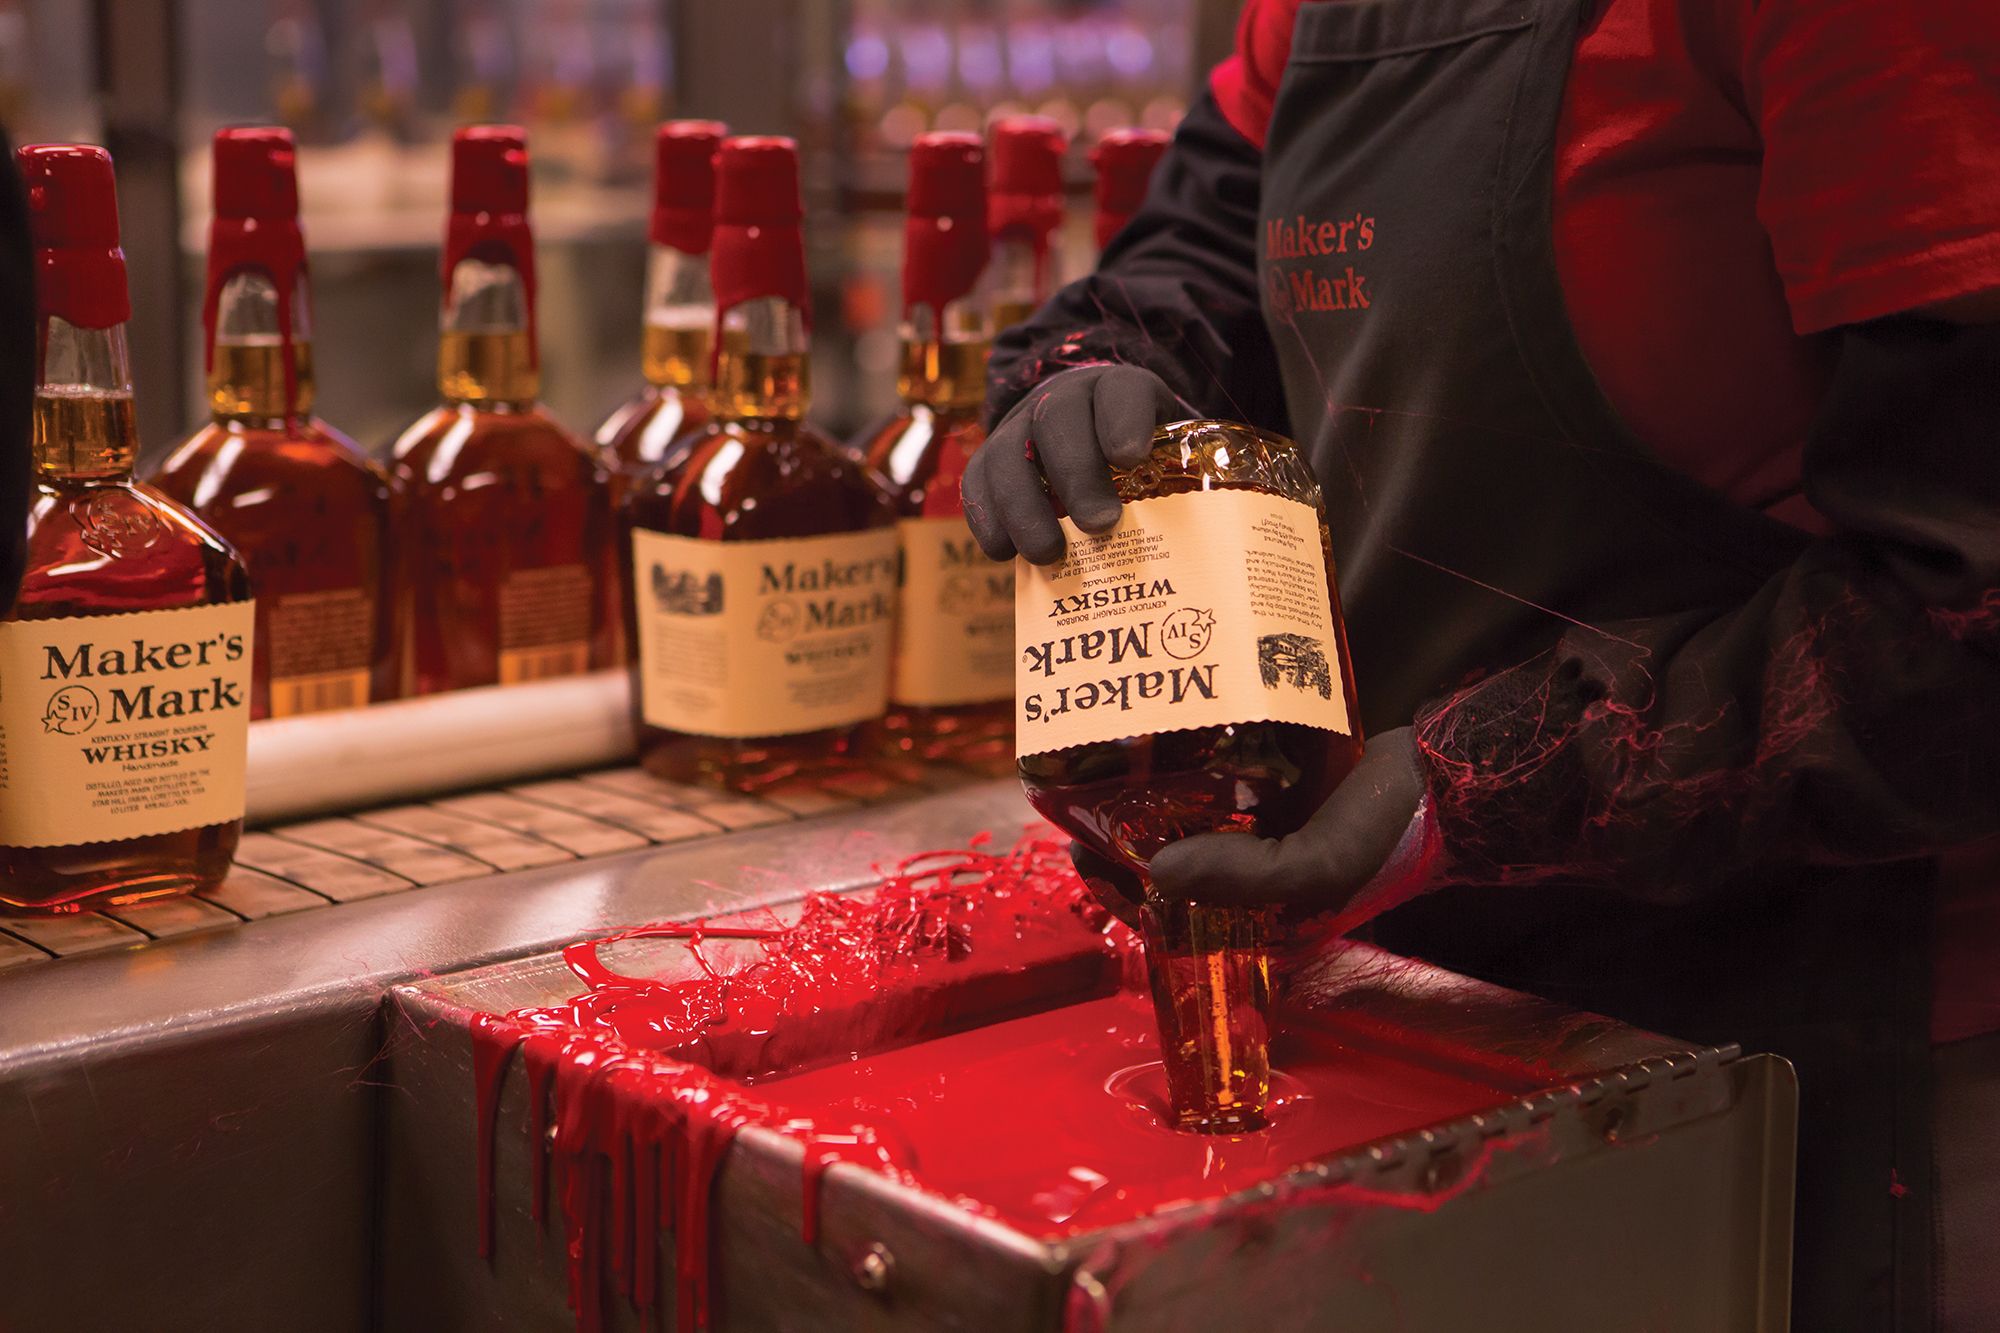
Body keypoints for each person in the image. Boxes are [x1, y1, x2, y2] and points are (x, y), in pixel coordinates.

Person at [963, 1, 2000, 1327]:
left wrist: (1476, 784)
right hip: (1425, 995)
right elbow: (1202, 250)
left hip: (1815, 1032)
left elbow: (1968, 615)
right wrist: (1094, 370)